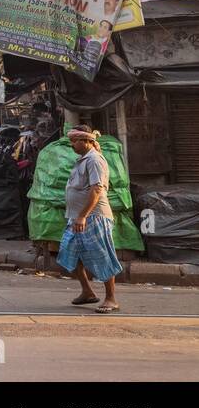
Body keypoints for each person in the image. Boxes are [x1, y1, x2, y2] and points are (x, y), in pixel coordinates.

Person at [56, 128, 121, 314]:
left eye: (75, 141)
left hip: (94, 217)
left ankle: (111, 298)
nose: (72, 144)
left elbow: (96, 190)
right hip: (77, 217)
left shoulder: (94, 160)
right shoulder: (82, 160)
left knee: (102, 255)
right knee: (70, 253)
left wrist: (83, 215)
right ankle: (87, 291)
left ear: (86, 140)